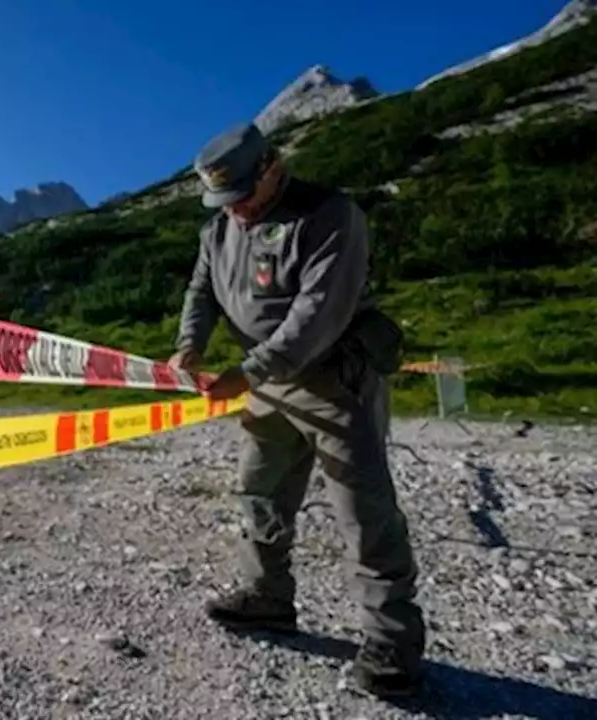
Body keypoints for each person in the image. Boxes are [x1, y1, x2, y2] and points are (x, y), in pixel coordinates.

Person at [168, 122, 426, 698]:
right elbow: (201, 291)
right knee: (259, 491)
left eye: (242, 195)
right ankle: (267, 598)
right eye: (223, 200)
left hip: (334, 378)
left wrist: (245, 373)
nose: (235, 210)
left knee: (363, 510)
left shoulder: (330, 216)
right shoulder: (219, 229)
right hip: (266, 385)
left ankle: (393, 643)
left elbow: (317, 317)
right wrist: (192, 343)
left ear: (272, 168)